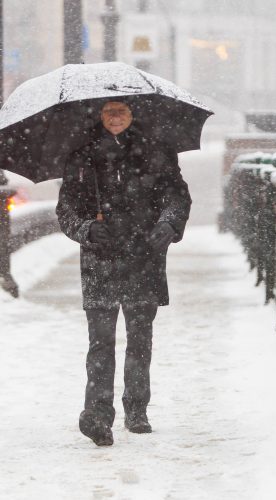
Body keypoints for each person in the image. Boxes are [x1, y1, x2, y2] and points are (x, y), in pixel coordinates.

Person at [56, 101, 191, 446]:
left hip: (143, 257)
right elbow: (65, 209)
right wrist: (86, 228)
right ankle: (98, 414)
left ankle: (136, 408)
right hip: (100, 260)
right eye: (109, 112)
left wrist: (169, 223)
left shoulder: (156, 151)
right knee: (100, 341)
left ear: (133, 115)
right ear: (99, 117)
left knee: (139, 338)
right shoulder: (82, 157)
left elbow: (178, 196)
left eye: (122, 111)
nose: (116, 118)